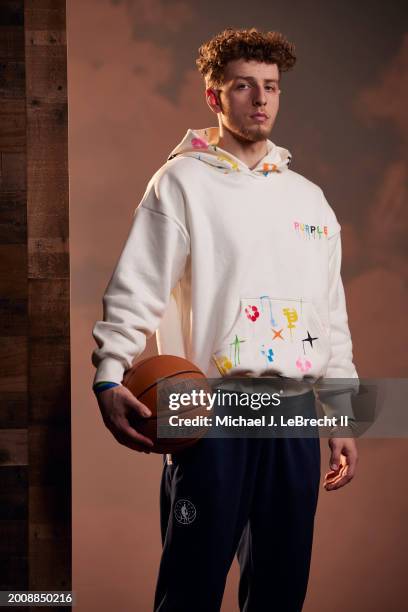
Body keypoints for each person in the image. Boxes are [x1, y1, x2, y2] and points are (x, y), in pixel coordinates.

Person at [91, 27, 359, 611]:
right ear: (215, 96)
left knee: (281, 591)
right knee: (190, 587)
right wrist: (109, 375)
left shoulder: (310, 199)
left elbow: (330, 318)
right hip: (207, 407)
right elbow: (138, 286)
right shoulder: (180, 182)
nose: (260, 100)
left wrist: (341, 415)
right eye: (244, 86)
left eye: (271, 87)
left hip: (290, 414)